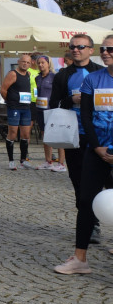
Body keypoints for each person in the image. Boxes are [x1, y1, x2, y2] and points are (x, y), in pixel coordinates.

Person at [53, 34, 113, 274]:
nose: (106, 52)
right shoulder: (94, 79)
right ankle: (80, 259)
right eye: (103, 49)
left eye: (111, 48)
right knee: (86, 201)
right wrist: (97, 146)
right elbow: (86, 115)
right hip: (94, 149)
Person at [50, 34, 102, 244]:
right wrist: (70, 99)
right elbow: (54, 103)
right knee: (80, 182)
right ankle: (91, 225)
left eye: (81, 46)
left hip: (100, 135)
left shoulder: (100, 72)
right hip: (74, 135)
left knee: (106, 182)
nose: (76, 49)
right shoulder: (63, 75)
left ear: (91, 49)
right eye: (72, 46)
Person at [0, 53, 35, 169]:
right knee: (13, 134)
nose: (25, 64)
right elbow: (3, 90)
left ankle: (23, 160)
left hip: (26, 108)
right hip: (14, 108)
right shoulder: (13, 74)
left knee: (25, 134)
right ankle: (11, 161)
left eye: (28, 62)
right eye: (23, 61)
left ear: (30, 64)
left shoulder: (28, 74)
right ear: (19, 62)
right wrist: (10, 101)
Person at [31, 55, 64, 172]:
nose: (40, 65)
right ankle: (48, 161)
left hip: (52, 109)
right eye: (39, 63)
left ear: (48, 64)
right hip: (40, 109)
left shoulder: (54, 77)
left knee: (58, 136)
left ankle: (61, 163)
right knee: (45, 136)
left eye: (43, 63)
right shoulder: (37, 78)